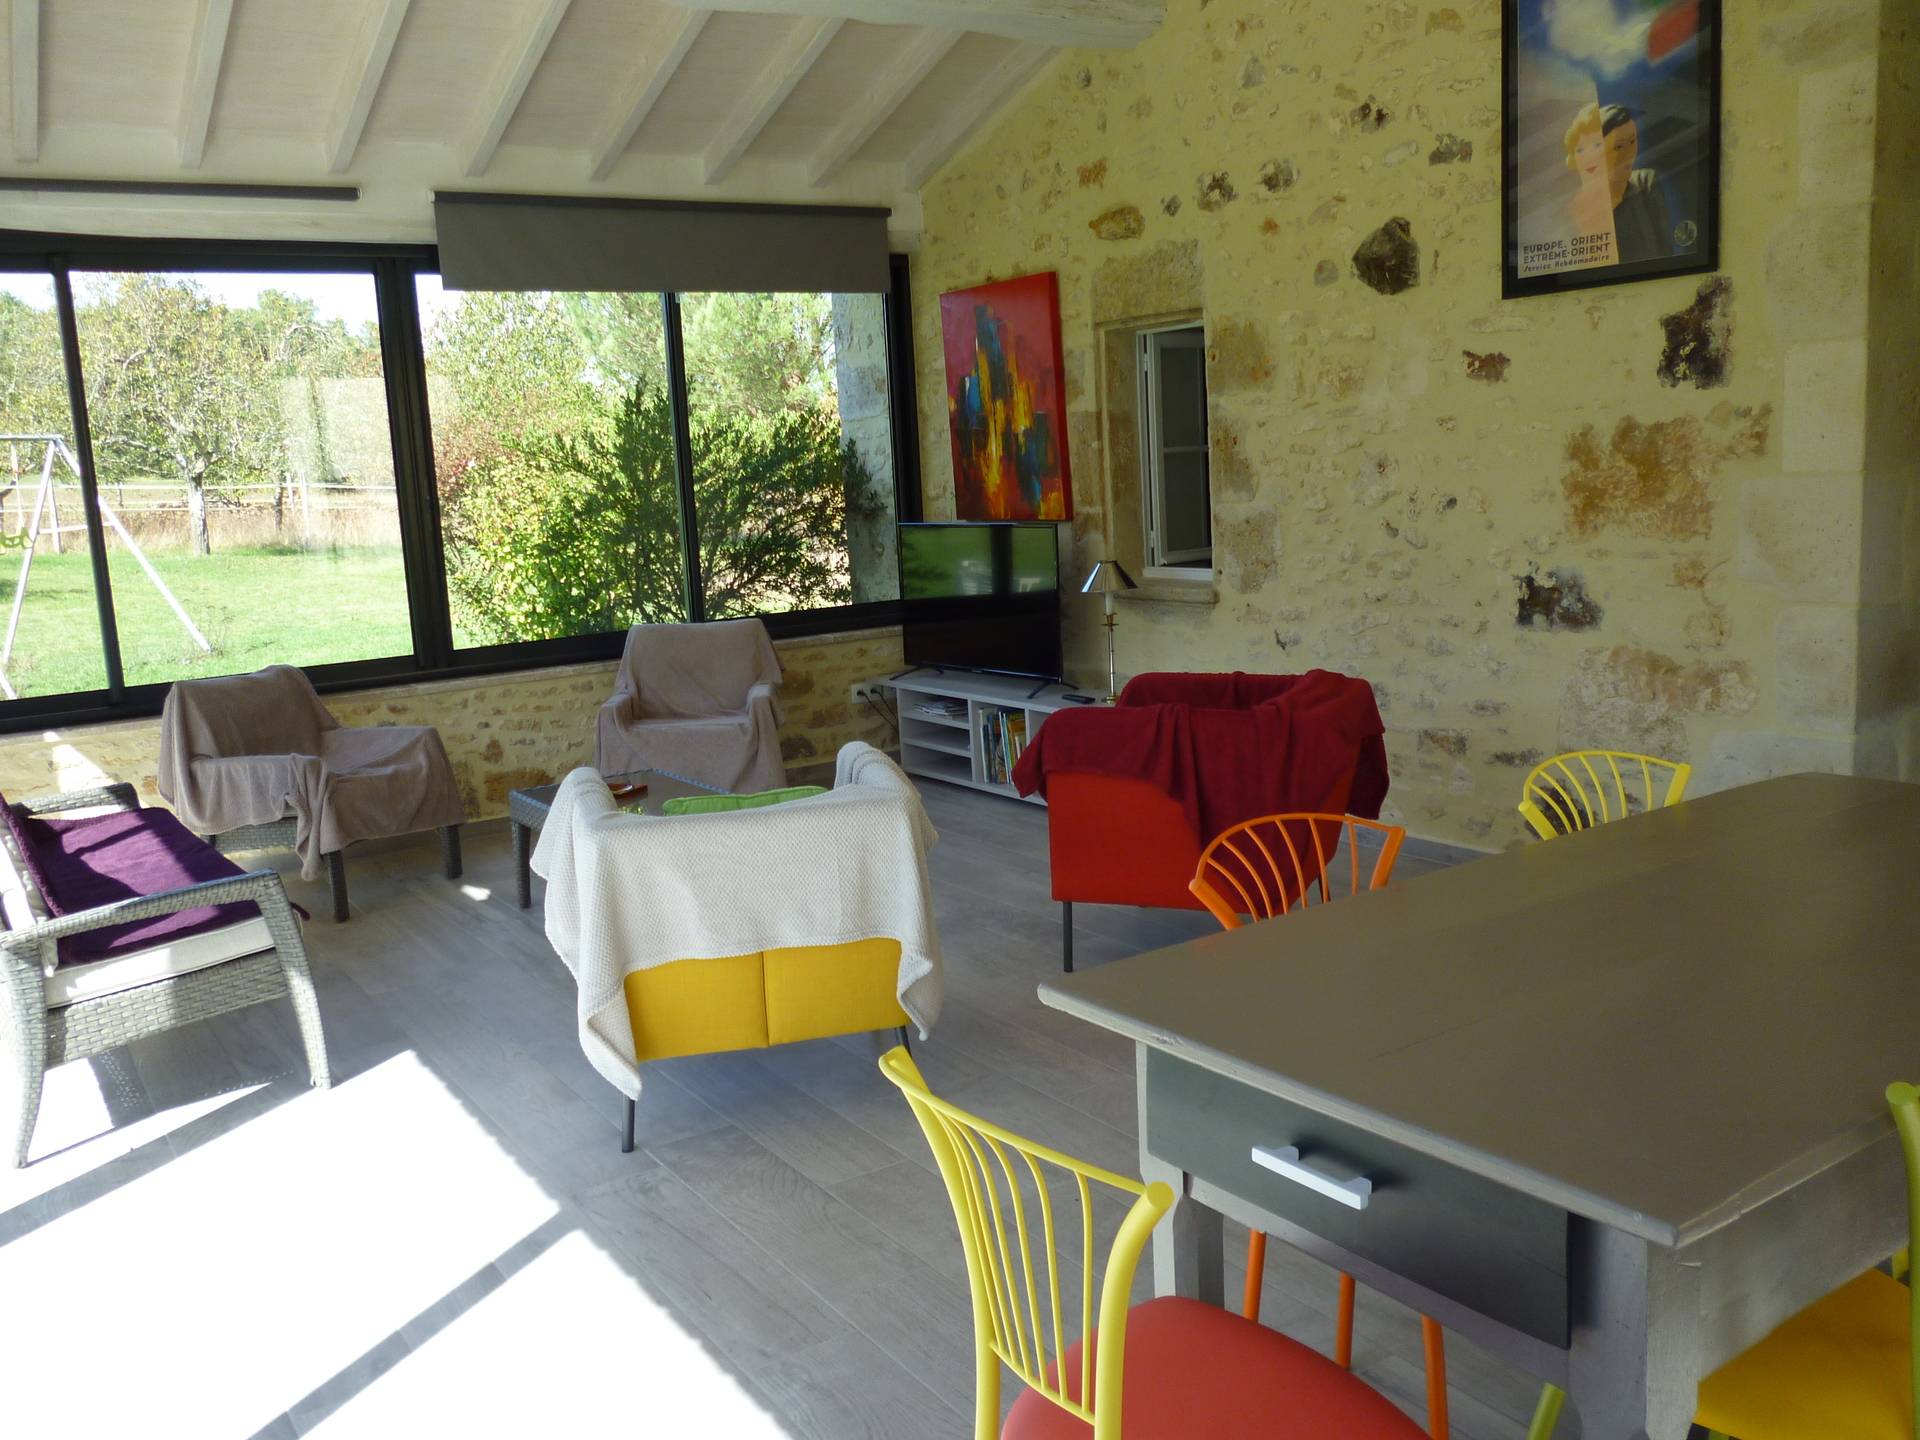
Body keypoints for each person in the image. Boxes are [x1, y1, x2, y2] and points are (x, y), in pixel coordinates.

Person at [1599, 103, 1675, 263]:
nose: (1628, 154)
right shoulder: (1587, 204)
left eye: (1633, 141)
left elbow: (1666, 249)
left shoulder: (1645, 182)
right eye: (1618, 146)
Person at [1560, 102, 1619, 269]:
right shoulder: (1570, 212)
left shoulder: (1629, 195)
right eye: (1580, 150)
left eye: (1597, 145)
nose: (1589, 157)